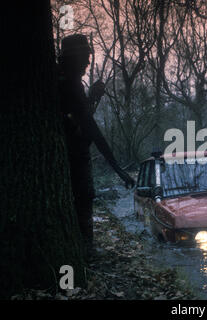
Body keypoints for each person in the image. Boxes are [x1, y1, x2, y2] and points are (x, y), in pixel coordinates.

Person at [58, 34, 135, 256]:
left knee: (83, 198)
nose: (88, 62)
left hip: (75, 152)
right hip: (73, 156)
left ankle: (83, 248)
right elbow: (90, 129)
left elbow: (81, 119)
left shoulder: (69, 82)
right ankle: (85, 251)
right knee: (83, 196)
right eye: (84, 57)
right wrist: (119, 171)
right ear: (72, 59)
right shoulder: (66, 84)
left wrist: (92, 98)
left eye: (88, 57)